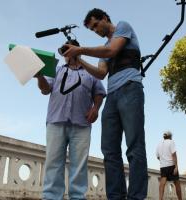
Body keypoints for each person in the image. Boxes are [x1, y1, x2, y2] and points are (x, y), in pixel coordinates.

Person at [62, 8, 148, 200]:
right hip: (112, 96)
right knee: (109, 150)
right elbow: (101, 73)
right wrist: (79, 59)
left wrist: (81, 49)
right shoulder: (102, 50)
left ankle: (136, 196)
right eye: (92, 29)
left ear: (105, 18)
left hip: (130, 89)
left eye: (96, 25)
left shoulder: (123, 27)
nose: (96, 30)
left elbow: (112, 50)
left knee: (134, 146)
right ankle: (115, 196)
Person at [36, 40, 106, 200]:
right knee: (53, 163)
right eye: (64, 50)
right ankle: (51, 197)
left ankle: (77, 197)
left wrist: (96, 108)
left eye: (69, 49)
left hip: (82, 125)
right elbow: (45, 89)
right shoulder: (56, 70)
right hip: (56, 121)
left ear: (77, 51)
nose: (66, 53)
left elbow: (99, 92)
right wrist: (39, 76)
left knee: (79, 166)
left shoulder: (90, 73)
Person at [155, 131, 182, 200]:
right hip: (171, 165)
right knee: (177, 183)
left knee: (162, 184)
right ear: (170, 136)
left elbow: (158, 156)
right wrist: (176, 166)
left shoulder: (159, 144)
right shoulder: (171, 142)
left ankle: (160, 198)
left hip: (163, 166)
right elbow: (174, 155)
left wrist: (163, 161)